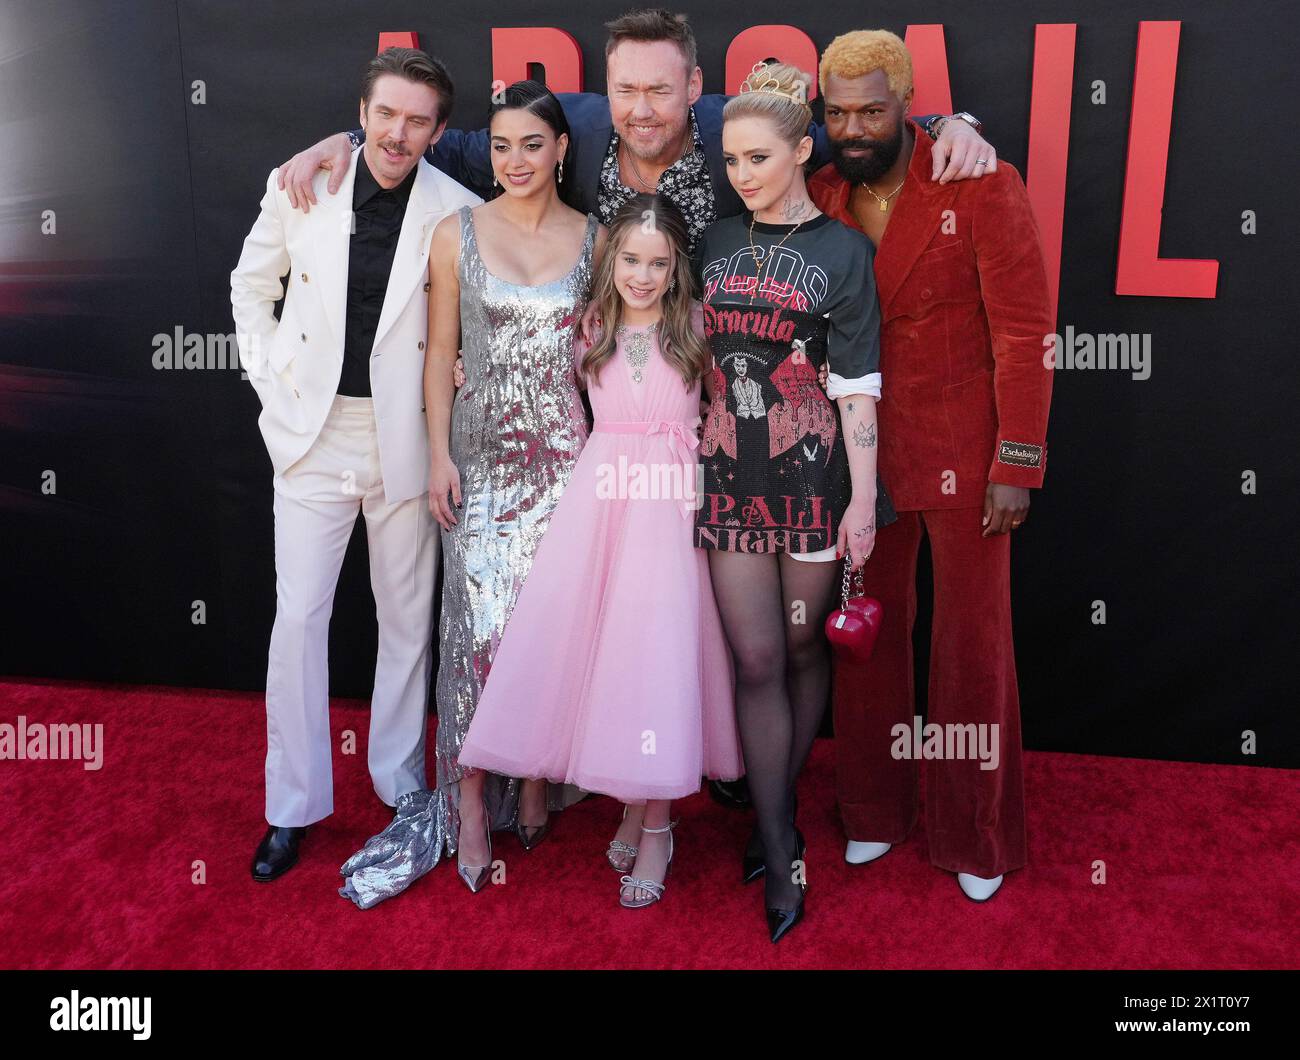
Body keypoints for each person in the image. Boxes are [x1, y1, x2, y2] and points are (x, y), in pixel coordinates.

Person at [337, 80, 608, 907]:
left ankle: (532, 782)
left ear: (561, 149)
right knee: (476, 632)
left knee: (546, 634)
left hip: (566, 464)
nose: (515, 160)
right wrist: (439, 454)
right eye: (500, 146)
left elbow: (605, 361)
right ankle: (467, 795)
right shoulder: (456, 235)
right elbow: (437, 352)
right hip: (480, 463)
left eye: (532, 144)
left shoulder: (598, 239)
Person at [808, 30, 1054, 902]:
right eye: (837, 112)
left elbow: (1025, 331)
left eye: (872, 108)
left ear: (907, 102)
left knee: (971, 648)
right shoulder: (819, 190)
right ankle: (874, 810)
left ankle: (976, 832)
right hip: (858, 464)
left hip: (966, 454)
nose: (855, 125)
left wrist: (1016, 460)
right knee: (867, 636)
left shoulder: (976, 179)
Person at [229, 48, 480, 882]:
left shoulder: (460, 210)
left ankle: (401, 783)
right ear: (361, 113)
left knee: (407, 620)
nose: (398, 133)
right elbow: (249, 284)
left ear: (439, 130)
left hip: (405, 436)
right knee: (299, 618)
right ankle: (292, 805)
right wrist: (273, 381)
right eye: (385, 115)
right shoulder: (303, 182)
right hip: (310, 435)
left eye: (418, 120)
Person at [458, 194, 742, 907]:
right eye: (629, 260)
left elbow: (729, 414)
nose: (641, 276)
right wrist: (469, 372)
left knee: (657, 657)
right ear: (609, 259)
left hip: (671, 506)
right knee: (608, 657)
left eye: (657, 263)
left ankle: (659, 824)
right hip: (602, 498)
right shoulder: (590, 327)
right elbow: (531, 383)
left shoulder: (698, 331)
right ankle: (628, 800)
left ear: (678, 268)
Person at [694, 61, 896, 942]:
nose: (742, 173)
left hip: (816, 475)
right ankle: (779, 842)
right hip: (730, 471)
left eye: (759, 157)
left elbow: (857, 386)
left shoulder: (845, 252)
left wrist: (861, 501)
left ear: (802, 151)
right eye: (732, 158)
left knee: (809, 651)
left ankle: (775, 809)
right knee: (757, 661)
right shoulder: (714, 243)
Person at [277, 10, 995, 250]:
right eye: (627, 90)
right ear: (607, 89)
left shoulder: (739, 131)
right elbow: (445, 143)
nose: (642, 108)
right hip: (608, 386)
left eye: (659, 89)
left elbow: (851, 133)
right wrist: (345, 140)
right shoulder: (573, 128)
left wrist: (952, 124)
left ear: (694, 88)